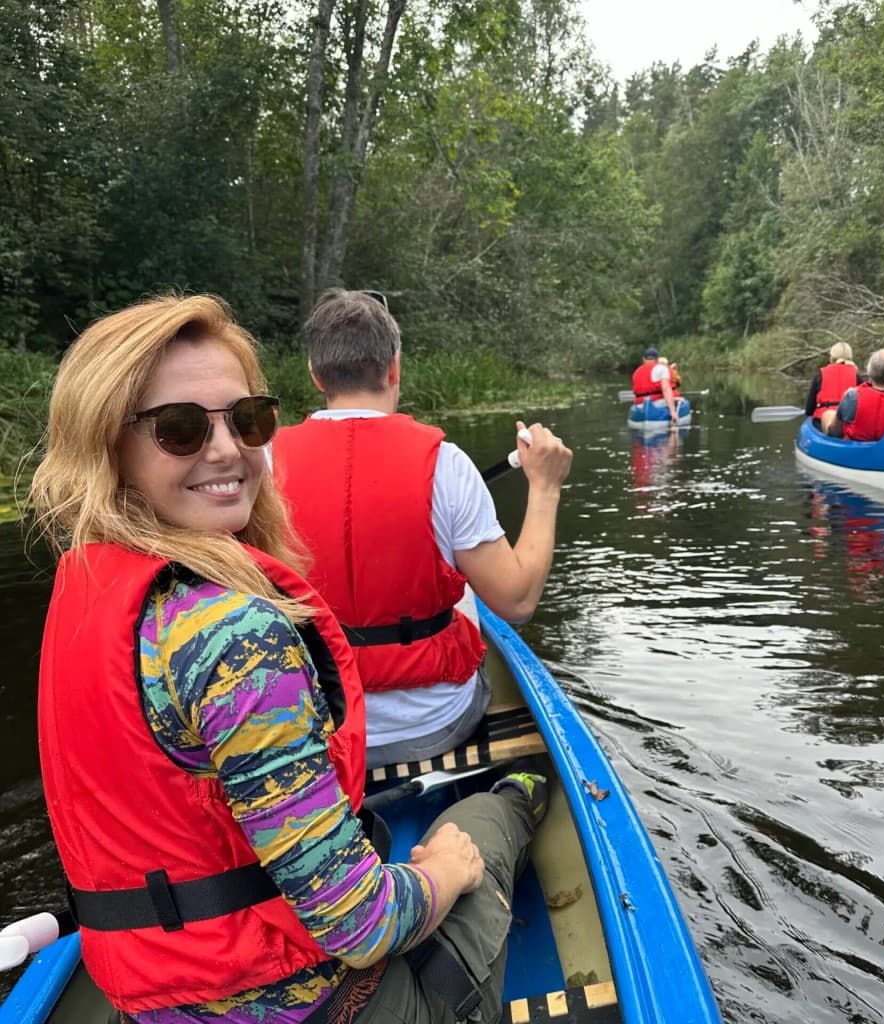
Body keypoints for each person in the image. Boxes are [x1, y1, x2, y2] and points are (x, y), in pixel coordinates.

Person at [29, 293, 547, 1024]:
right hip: (298, 1003)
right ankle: (517, 801)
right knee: (484, 829)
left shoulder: (86, 580)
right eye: (179, 429)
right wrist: (440, 873)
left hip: (158, 998)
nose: (226, 450)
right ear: (105, 444)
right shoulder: (238, 636)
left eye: (246, 420)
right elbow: (362, 928)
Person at [272, 290, 573, 770]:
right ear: (394, 367)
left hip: (312, 729)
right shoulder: (446, 464)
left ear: (315, 372)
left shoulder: (263, 464)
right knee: (468, 597)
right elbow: (516, 603)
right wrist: (545, 486)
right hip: (432, 727)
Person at [804, 341, 861, 428]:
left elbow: (809, 409)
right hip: (849, 422)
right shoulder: (857, 376)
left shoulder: (820, 375)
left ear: (832, 357)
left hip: (823, 421)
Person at [631, 346, 679, 424]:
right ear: (657, 359)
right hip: (658, 403)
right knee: (681, 401)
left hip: (640, 405)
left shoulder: (636, 372)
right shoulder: (662, 368)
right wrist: (673, 411)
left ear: (643, 359)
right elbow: (666, 389)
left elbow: (635, 394)